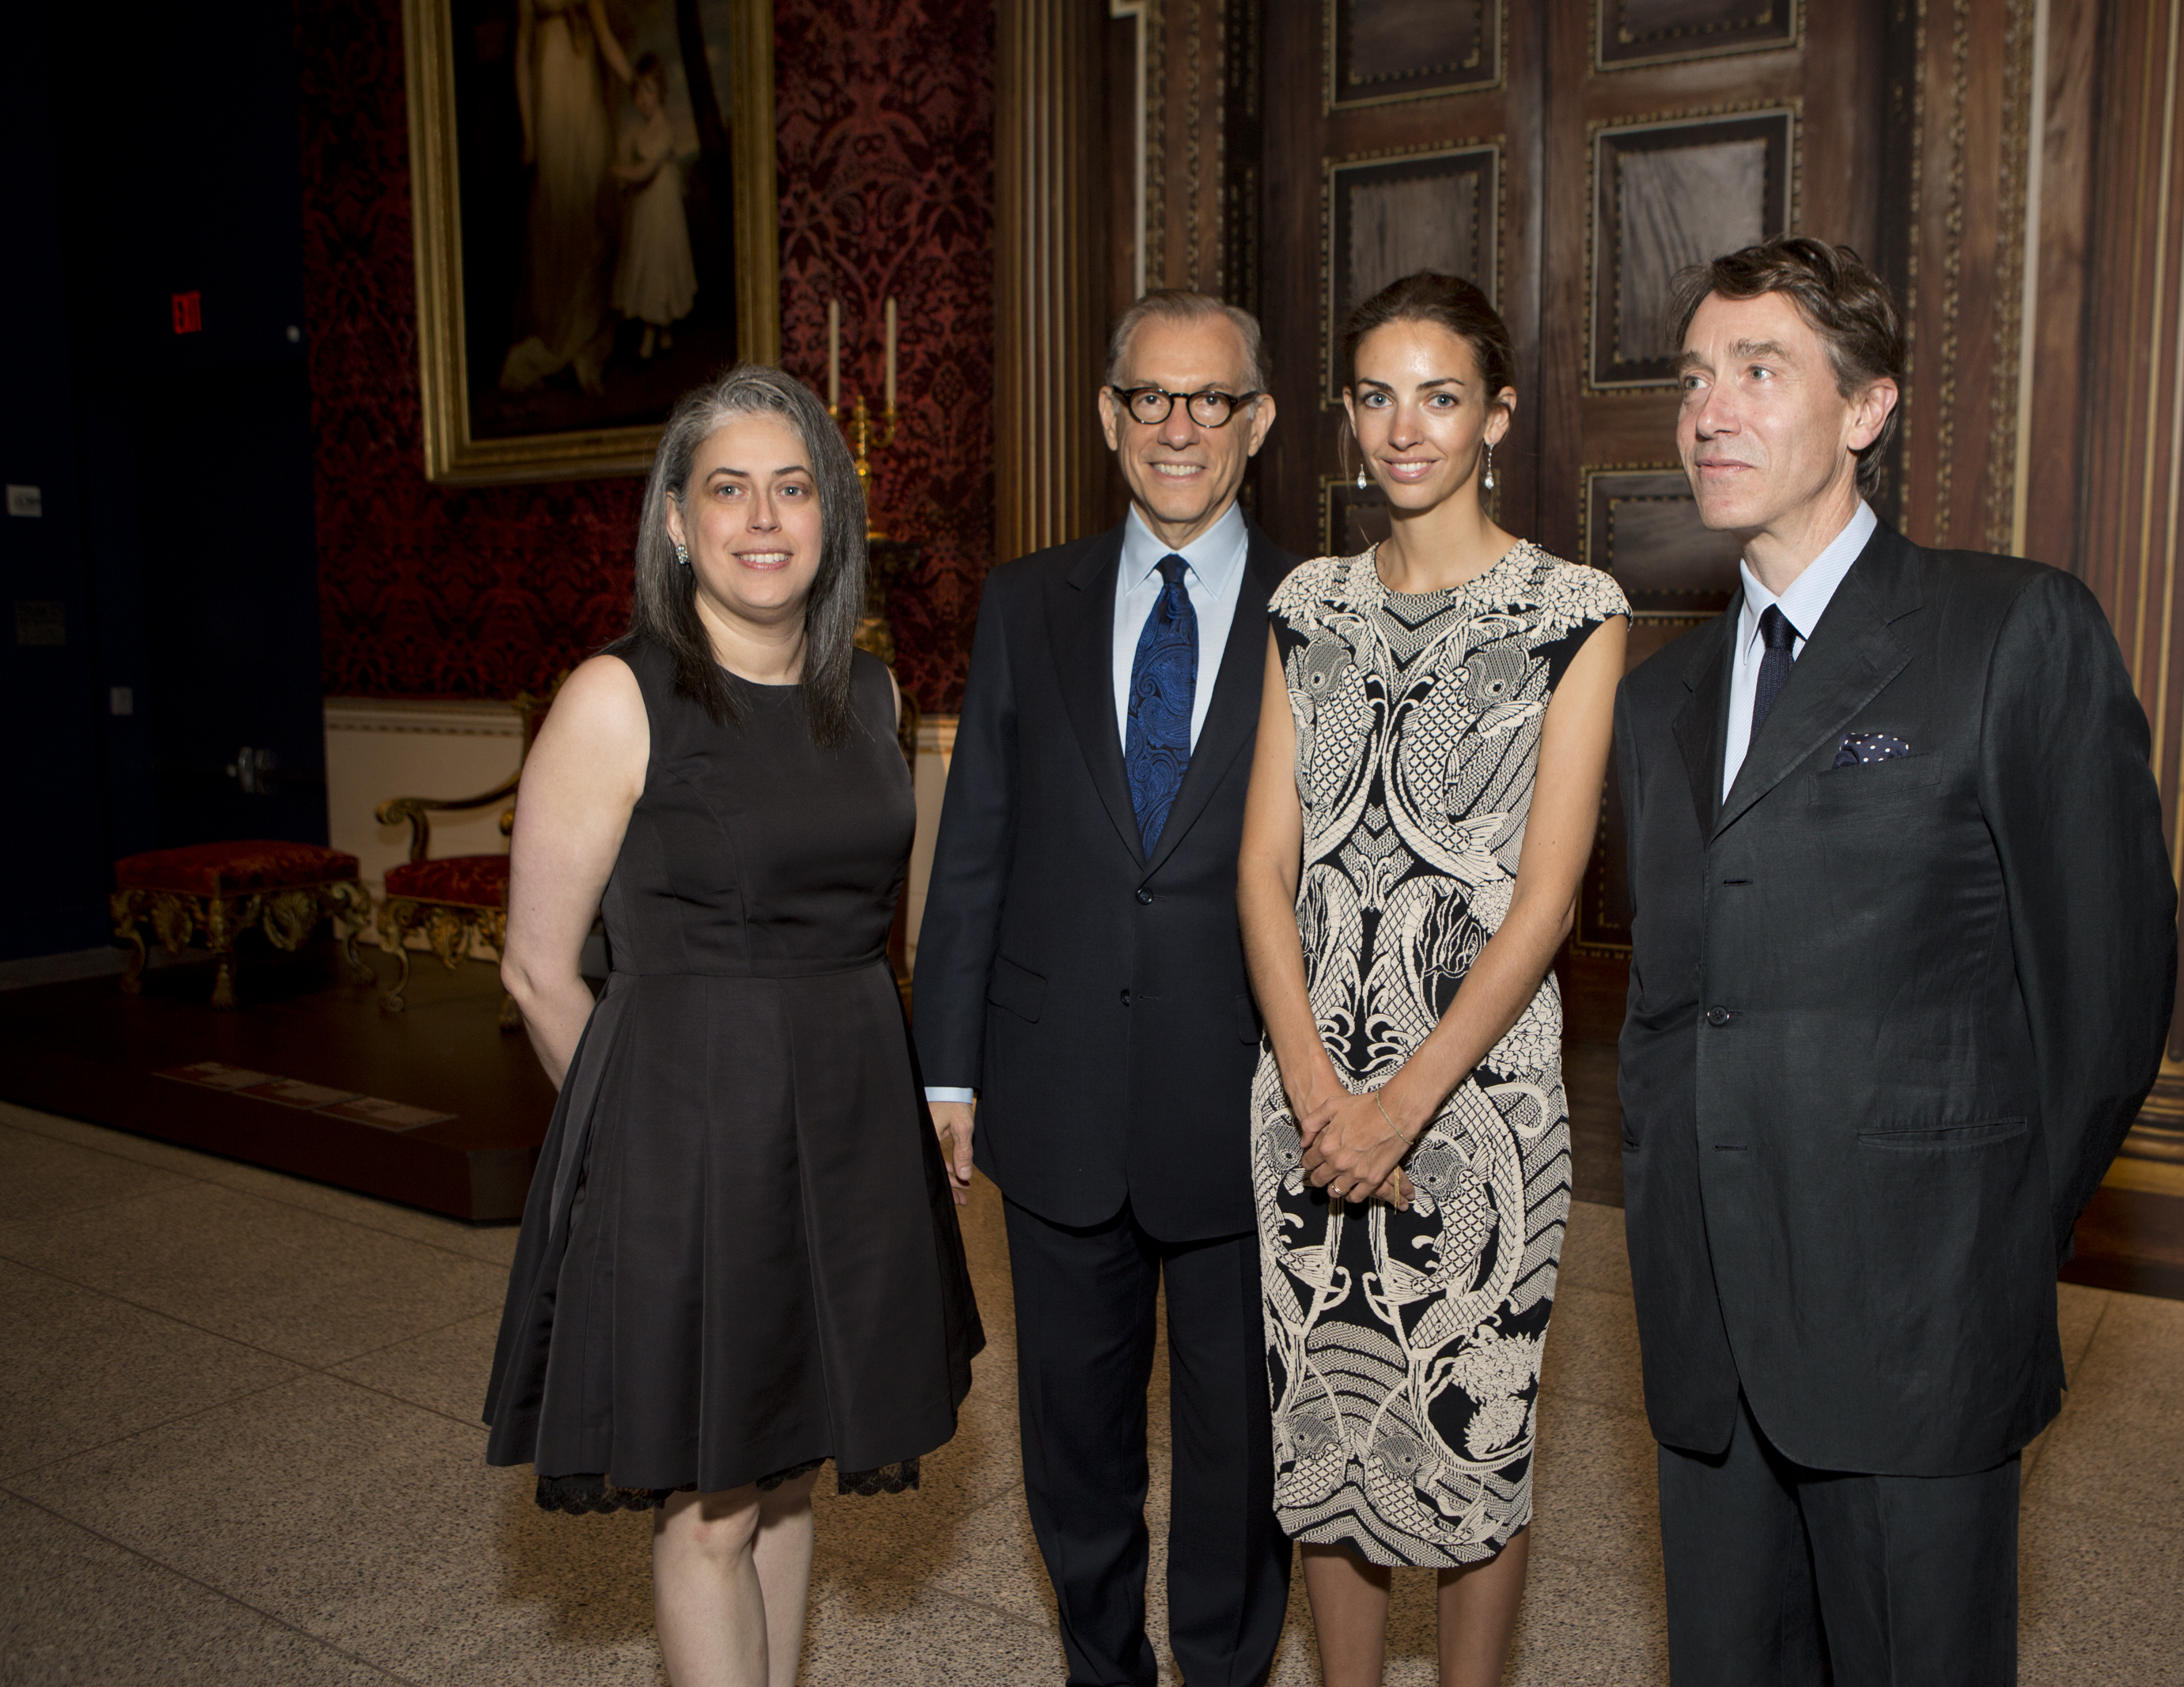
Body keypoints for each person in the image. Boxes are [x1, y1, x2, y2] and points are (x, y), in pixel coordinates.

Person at [1612, 236, 2175, 1685]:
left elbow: (2104, 1000)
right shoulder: (1659, 694)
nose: (1709, 412)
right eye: (1692, 379)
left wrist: (1982, 1244)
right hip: (1707, 1320)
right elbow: (1680, 998)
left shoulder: (2011, 631)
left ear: (1869, 408)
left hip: (1920, 1316)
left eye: (1759, 371)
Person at [483, 365, 985, 1687]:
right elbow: (538, 970)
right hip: (689, 1137)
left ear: (833, 516)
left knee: (791, 1463)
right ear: (675, 521)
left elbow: (889, 930)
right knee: (708, 1493)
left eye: (794, 486)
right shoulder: (617, 696)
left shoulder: (873, 696)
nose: (764, 518)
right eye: (728, 489)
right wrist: (634, 1146)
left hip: (849, 1118)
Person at [1238, 270, 1629, 1687]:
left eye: (1442, 396)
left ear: (1497, 418)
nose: (1407, 428)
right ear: (1346, 416)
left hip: (1475, 1098)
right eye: (1379, 396)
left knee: (1475, 1424)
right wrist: (1311, 1085)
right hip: (1306, 1088)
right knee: (1328, 1430)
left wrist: (1399, 1103)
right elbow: (1261, 868)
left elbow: (1549, 900)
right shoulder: (1307, 602)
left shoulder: (1573, 609)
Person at [914, 291, 1296, 1687]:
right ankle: (1101, 1665)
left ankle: (1226, 1665)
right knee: (1072, 1435)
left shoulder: (1324, 608)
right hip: (1055, 1086)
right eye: (1151, 397)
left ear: (1258, 421)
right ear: (1108, 416)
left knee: (1241, 1445)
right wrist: (945, 1067)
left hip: (1252, 1101)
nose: (1178, 427)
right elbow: (978, 849)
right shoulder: (1029, 601)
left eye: (1211, 400)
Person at [502, 0, 629, 395]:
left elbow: (605, 37)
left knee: (598, 216)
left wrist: (636, 81)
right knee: (559, 218)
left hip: (585, 100)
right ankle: (562, 342)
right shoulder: (534, 12)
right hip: (551, 99)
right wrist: (528, 132)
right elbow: (521, 56)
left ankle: (586, 347)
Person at [611, 52, 696, 361]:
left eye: (649, 91)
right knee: (647, 261)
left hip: (662, 209)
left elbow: (644, 171)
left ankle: (649, 341)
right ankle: (664, 334)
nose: (643, 100)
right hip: (645, 209)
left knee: (659, 264)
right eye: (638, 93)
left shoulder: (664, 129)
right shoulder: (641, 130)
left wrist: (617, 172)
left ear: (660, 91)